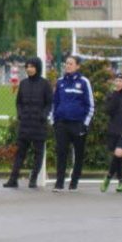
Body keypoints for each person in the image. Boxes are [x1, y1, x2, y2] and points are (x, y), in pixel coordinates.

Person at [4, 56, 51, 189]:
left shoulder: (45, 84)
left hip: (39, 124)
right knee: (20, 152)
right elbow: (18, 102)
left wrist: (44, 115)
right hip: (25, 124)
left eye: (32, 66)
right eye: (27, 67)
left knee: (38, 153)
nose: (29, 69)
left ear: (37, 68)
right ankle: (13, 179)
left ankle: (33, 179)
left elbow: (49, 103)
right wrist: (20, 114)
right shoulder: (23, 83)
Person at [50, 55, 94, 192]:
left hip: (78, 124)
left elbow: (90, 105)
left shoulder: (84, 82)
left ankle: (74, 182)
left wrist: (85, 123)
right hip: (61, 123)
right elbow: (54, 103)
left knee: (79, 154)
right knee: (61, 152)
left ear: (77, 66)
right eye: (66, 63)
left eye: (70, 63)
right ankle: (59, 182)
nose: (67, 65)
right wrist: (53, 121)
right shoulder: (60, 82)